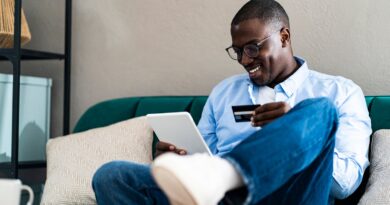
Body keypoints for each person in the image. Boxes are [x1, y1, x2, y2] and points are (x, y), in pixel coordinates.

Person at [92, 0, 371, 204]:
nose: (245, 60)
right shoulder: (224, 93)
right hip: (217, 199)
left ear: (284, 36)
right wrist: (178, 162)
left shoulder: (341, 91)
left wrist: (293, 131)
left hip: (292, 197)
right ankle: (221, 181)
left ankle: (229, 175)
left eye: (252, 47)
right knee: (112, 176)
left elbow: (346, 184)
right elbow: (201, 156)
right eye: (237, 51)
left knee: (320, 111)